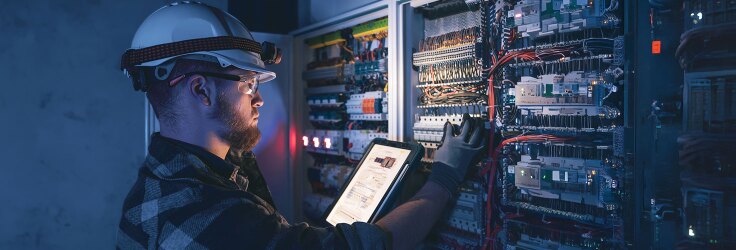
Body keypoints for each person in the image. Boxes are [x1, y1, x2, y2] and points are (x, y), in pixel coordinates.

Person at [116, 2, 486, 249]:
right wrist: (445, 177)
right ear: (201, 90)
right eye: (249, 84)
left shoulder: (159, 187)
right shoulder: (211, 216)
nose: (259, 100)